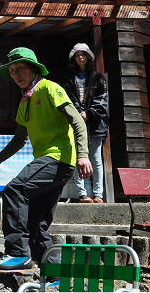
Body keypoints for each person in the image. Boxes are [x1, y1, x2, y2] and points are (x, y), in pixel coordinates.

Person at [0, 47, 91, 271]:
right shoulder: (25, 101)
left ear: (34, 69)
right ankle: (55, 275)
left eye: (20, 68)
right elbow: (19, 139)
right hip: (49, 161)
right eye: (12, 71)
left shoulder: (50, 88)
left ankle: (17, 253)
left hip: (58, 158)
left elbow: (78, 122)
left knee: (15, 190)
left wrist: (83, 155)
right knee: (36, 223)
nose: (16, 74)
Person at [61, 43, 108, 203]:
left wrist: (89, 113)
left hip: (95, 124)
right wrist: (77, 114)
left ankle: (98, 195)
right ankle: (82, 194)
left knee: (96, 159)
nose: (80, 57)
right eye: (77, 55)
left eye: (83, 54)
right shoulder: (69, 77)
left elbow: (102, 99)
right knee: (78, 158)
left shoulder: (98, 77)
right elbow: (67, 98)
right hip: (76, 122)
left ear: (88, 57)